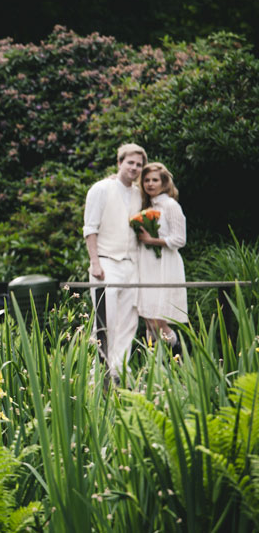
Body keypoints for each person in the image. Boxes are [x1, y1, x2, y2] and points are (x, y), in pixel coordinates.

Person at [83, 143, 146, 378]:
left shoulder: (140, 194)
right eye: (130, 162)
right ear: (119, 163)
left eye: (139, 165)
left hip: (132, 263)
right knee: (105, 321)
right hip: (106, 262)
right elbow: (90, 228)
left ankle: (120, 371)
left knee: (129, 322)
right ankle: (99, 375)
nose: (135, 168)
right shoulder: (101, 189)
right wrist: (95, 262)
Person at [136, 162, 188, 347]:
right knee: (148, 319)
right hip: (147, 265)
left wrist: (153, 241)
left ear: (164, 183)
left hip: (165, 265)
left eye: (155, 180)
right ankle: (154, 365)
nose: (150, 184)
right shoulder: (146, 206)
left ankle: (178, 355)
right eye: (147, 180)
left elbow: (180, 239)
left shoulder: (170, 205)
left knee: (159, 320)